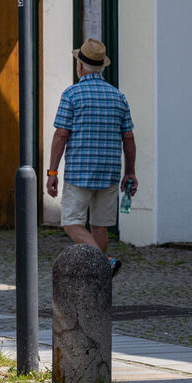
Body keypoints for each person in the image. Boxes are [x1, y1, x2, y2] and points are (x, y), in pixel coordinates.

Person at [46, 38, 136, 276]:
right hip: (109, 172)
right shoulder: (119, 97)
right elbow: (129, 138)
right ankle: (100, 279)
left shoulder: (72, 95)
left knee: (71, 222)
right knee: (100, 225)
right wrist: (130, 172)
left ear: (80, 67)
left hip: (79, 172)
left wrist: (52, 172)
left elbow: (60, 135)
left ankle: (104, 262)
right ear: (102, 67)